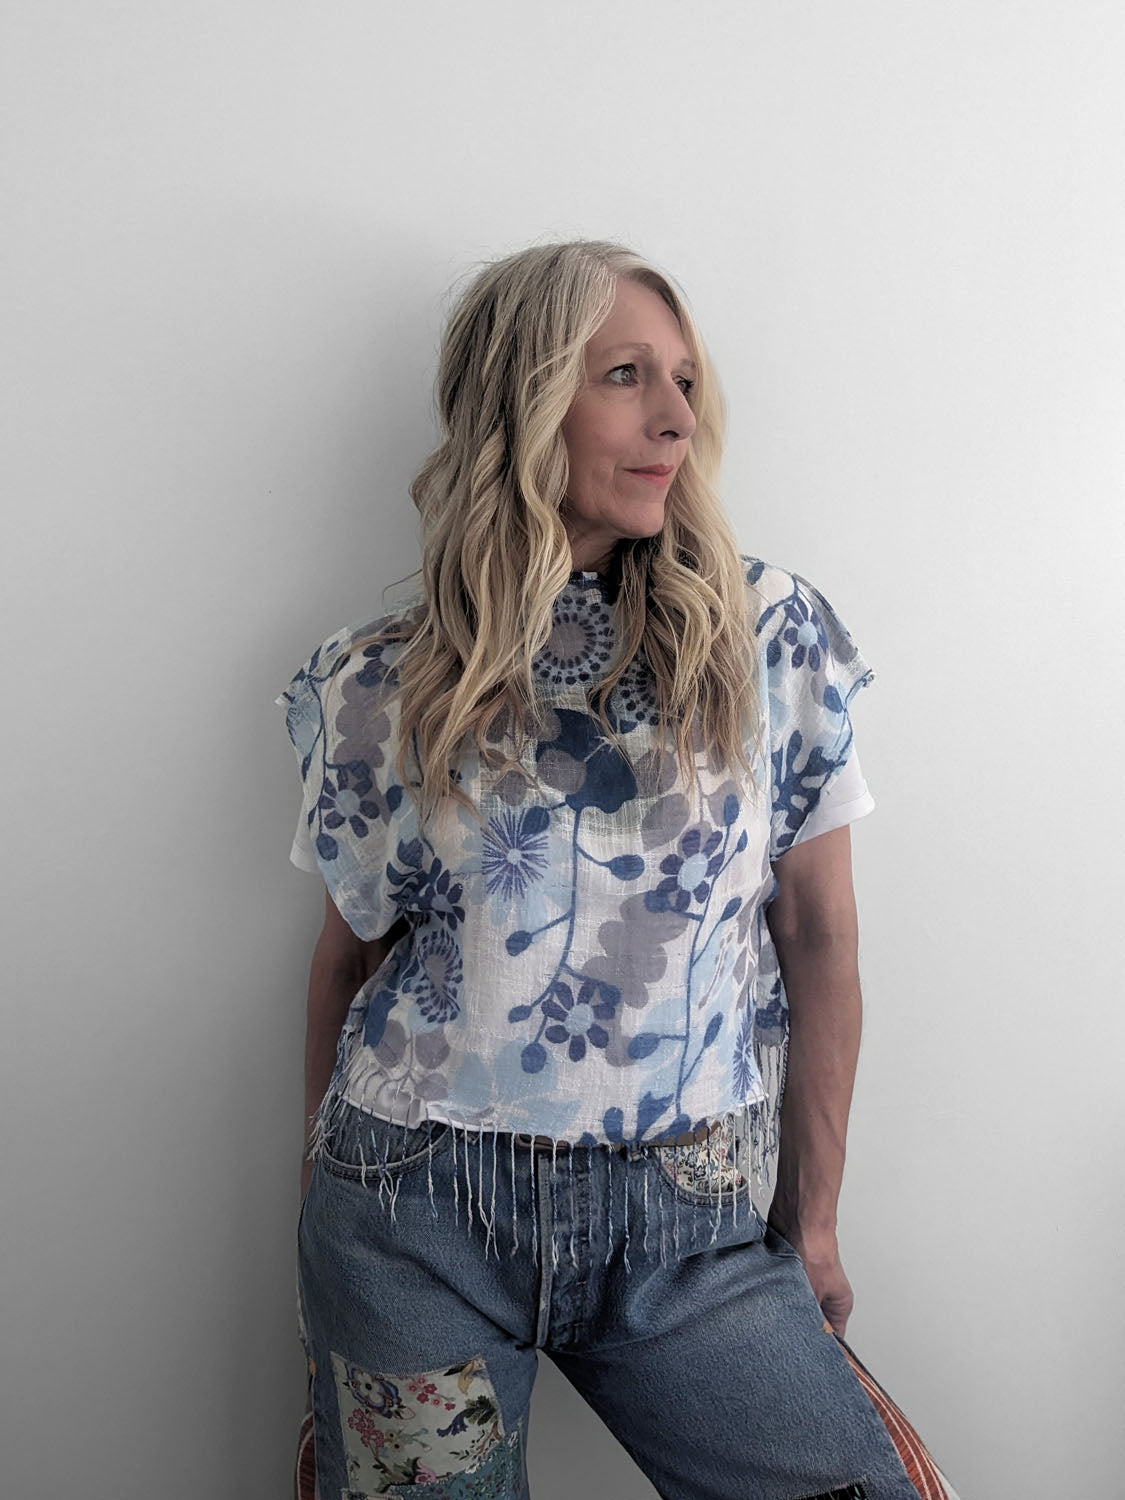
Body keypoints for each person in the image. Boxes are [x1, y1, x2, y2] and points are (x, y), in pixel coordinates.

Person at [277, 240, 957, 1500]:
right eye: (626, 376)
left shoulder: (765, 638)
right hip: (409, 1225)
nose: (675, 419)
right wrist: (314, 1209)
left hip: (690, 1235)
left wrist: (813, 1218)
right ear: (523, 404)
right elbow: (347, 957)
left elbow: (820, 937)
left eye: (685, 381)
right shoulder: (379, 679)